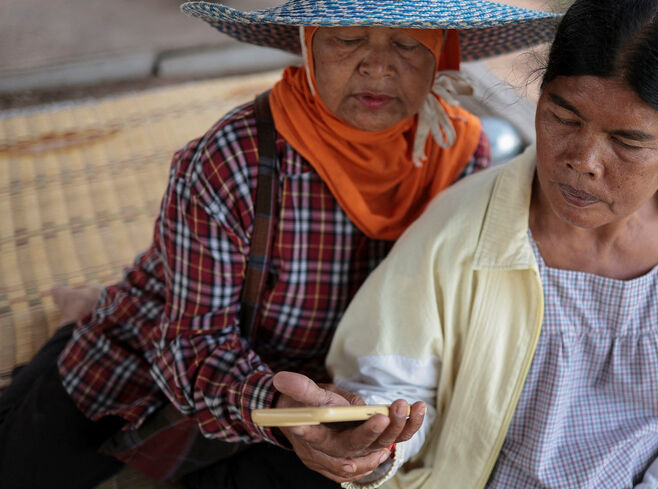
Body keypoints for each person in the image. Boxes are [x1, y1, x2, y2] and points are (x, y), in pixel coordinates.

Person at [0, 1, 560, 488]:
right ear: (306, 44)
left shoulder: (464, 158)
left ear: (445, 53)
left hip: (334, 398)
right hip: (176, 367)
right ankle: (87, 319)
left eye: (409, 42)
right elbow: (193, 346)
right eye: (346, 38)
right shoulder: (232, 160)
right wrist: (277, 405)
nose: (377, 65)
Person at [324, 0, 658, 487]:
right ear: (540, 96)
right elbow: (391, 391)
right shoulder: (455, 235)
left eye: (627, 142)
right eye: (564, 117)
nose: (584, 160)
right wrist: (374, 437)